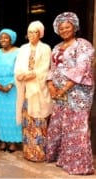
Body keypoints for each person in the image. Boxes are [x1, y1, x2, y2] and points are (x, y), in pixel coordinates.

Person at [45, 12, 95, 175]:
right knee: (62, 126)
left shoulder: (83, 45)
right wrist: (51, 86)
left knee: (76, 128)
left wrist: (63, 89)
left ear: (75, 27)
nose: (64, 30)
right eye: (61, 28)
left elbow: (82, 70)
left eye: (67, 27)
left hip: (78, 93)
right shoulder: (57, 47)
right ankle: (63, 159)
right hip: (59, 95)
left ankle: (79, 164)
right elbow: (52, 69)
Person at [14, 21, 53, 162]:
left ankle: (40, 153)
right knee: (27, 121)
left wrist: (31, 74)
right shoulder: (23, 48)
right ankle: (28, 152)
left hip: (39, 91)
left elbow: (44, 69)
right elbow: (18, 67)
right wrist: (19, 75)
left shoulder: (46, 48)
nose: (31, 35)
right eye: (29, 32)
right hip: (25, 92)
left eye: (35, 32)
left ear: (40, 33)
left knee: (39, 121)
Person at [0, 28, 22, 153]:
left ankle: (13, 142)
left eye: (6, 37)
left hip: (13, 88)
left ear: (11, 39)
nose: (3, 39)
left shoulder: (18, 52)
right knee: (1, 116)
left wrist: (10, 84)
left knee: (13, 115)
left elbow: (20, 69)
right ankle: (3, 140)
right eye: (1, 37)